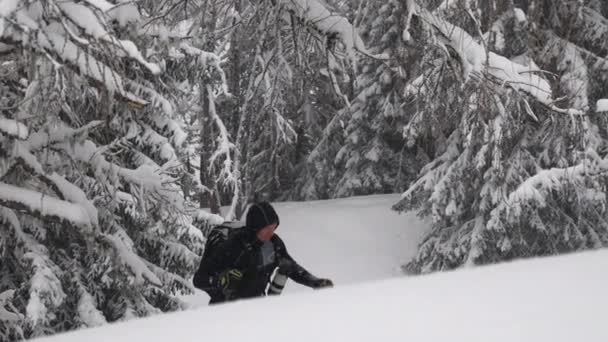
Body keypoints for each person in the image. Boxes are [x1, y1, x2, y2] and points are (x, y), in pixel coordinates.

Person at [193, 201, 333, 304]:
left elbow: (291, 267)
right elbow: (199, 279)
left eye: (274, 228)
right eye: (266, 229)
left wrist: (316, 283)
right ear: (255, 228)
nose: (271, 233)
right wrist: (220, 280)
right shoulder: (233, 245)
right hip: (225, 311)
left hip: (258, 308)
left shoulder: (273, 243)